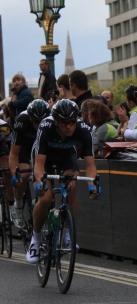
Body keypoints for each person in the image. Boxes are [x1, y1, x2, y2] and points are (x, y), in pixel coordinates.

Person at [26, 99, 97, 263]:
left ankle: (66, 232)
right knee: (45, 197)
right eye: (64, 123)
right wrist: (39, 181)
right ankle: (35, 238)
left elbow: (91, 165)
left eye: (72, 122)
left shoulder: (83, 130)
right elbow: (39, 164)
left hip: (66, 157)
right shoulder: (46, 126)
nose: (69, 127)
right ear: (56, 122)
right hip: (45, 158)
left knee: (72, 187)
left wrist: (92, 184)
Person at [9, 99, 50, 228]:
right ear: (30, 117)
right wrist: (15, 173)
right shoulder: (22, 121)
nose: (38, 125)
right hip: (24, 148)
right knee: (24, 174)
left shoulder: (51, 121)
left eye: (41, 122)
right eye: (35, 122)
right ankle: (18, 204)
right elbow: (14, 153)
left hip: (41, 149)